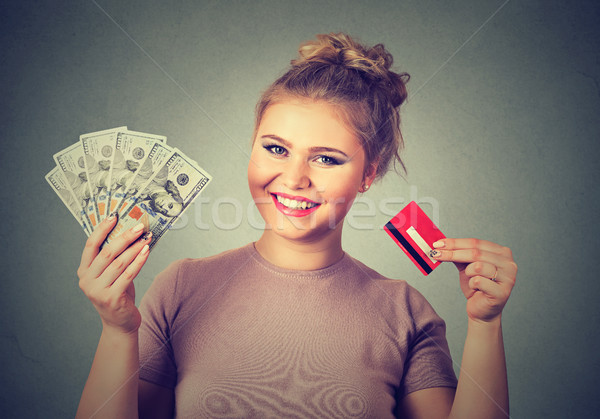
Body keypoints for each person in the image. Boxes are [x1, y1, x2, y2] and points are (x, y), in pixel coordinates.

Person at [75, 33, 517, 418]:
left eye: (326, 158)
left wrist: (486, 324)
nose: (293, 179)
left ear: (369, 173)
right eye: (275, 149)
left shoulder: (406, 312)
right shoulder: (179, 288)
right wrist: (117, 331)